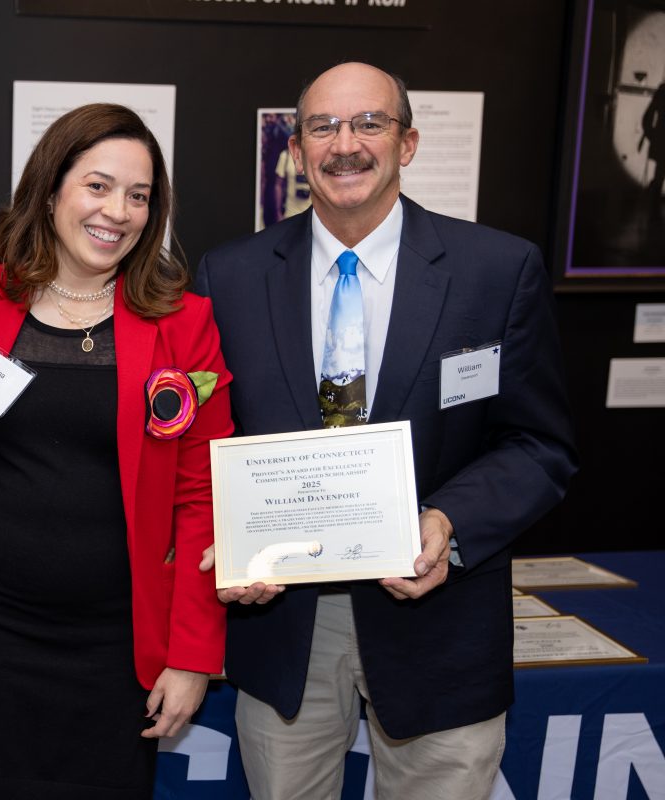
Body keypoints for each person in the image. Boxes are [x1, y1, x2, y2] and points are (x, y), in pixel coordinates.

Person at [196, 62, 576, 799]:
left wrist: (449, 521)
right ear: (297, 149)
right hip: (286, 627)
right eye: (323, 127)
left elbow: (540, 446)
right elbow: (209, 448)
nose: (346, 145)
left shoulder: (496, 270)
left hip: (438, 615)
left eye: (370, 123)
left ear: (408, 143)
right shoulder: (230, 275)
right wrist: (226, 539)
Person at [0, 103, 232, 798]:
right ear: (50, 189)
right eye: (98, 186)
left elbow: (203, 498)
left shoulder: (186, 324)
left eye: (138, 195)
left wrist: (192, 656)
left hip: (116, 653)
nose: (118, 212)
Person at [642, 82, 665, 198]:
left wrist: (651, 133)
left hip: (661, 140)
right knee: (659, 174)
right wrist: (651, 134)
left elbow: (648, 116)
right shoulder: (662, 91)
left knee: (659, 173)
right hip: (662, 140)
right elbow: (648, 116)